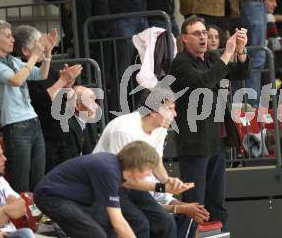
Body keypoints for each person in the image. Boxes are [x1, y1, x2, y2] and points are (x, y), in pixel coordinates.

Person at [170, 16, 251, 237]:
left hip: (217, 139)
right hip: (195, 143)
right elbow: (202, 83)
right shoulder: (180, 63)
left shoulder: (212, 58)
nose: (203, 36)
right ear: (185, 39)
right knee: (194, 204)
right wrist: (227, 53)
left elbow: (241, 73)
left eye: (204, 32)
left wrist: (241, 50)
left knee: (218, 203)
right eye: (197, 33)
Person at [35, 141, 184, 238]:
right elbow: (118, 221)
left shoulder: (117, 167)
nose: (150, 174)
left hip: (76, 199)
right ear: (137, 166)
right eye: (149, 169)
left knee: (109, 231)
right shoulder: (108, 170)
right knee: (95, 234)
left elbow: (130, 184)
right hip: (51, 197)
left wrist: (163, 186)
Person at [93, 86, 188, 238]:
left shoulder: (160, 127)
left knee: (165, 223)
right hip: (108, 185)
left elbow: (155, 161)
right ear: (154, 110)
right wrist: (162, 187)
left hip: (131, 185)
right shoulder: (124, 129)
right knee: (140, 224)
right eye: (170, 108)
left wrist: (168, 181)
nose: (175, 114)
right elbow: (125, 179)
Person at [12, 25, 83, 173]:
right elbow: (41, 101)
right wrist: (62, 81)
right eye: (38, 44)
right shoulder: (22, 72)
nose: (43, 48)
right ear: (25, 51)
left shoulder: (46, 67)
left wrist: (67, 83)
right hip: (44, 135)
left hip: (61, 131)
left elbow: (59, 92)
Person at [0, 20, 56, 192]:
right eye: (7, 36)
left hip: (33, 121)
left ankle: (37, 217)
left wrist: (48, 53)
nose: (13, 40)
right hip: (16, 125)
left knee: (38, 178)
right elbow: (16, 80)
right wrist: (35, 56)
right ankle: (22, 218)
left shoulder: (13, 60)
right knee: (20, 180)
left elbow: (41, 74)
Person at [233, 0, 279, 107]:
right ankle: (250, 107)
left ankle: (250, 107)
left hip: (256, 2)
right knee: (255, 56)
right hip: (248, 1)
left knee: (255, 56)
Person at [0, 140, 35, 238]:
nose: (4, 159)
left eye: (3, 154)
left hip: (13, 233)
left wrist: (3, 210)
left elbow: (22, 205)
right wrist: (9, 208)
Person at [62, 86, 99, 162]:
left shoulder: (88, 120)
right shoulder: (67, 127)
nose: (96, 106)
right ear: (77, 107)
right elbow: (71, 161)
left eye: (95, 101)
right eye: (91, 102)